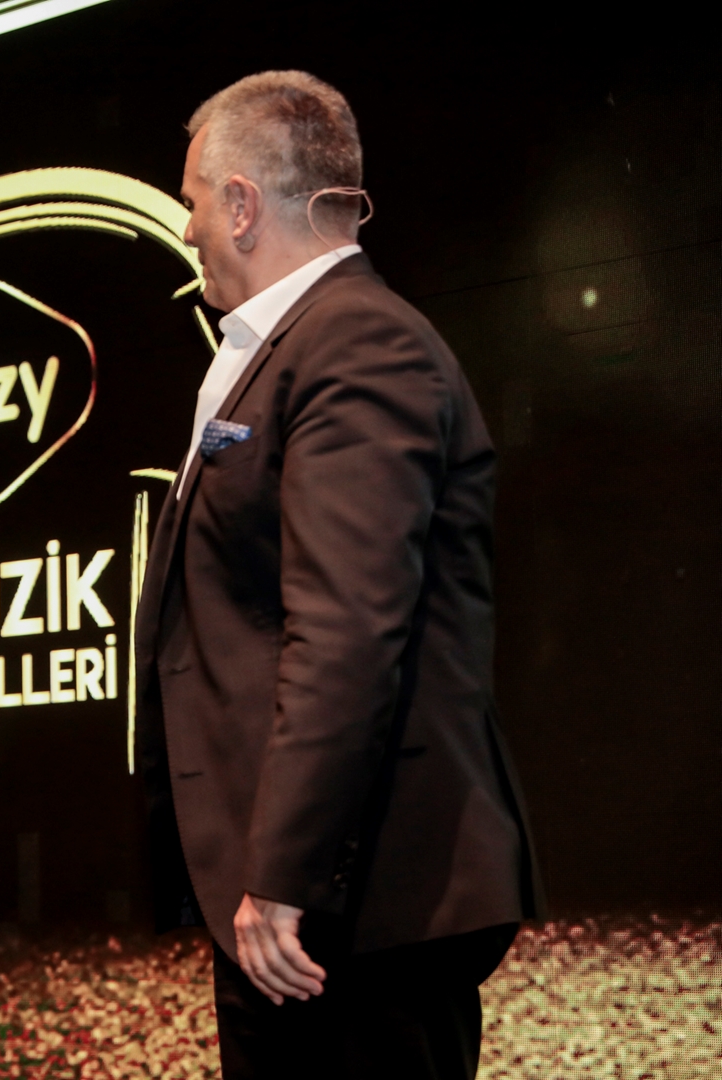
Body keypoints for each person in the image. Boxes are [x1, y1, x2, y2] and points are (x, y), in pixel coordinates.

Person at [132, 72, 544, 1079]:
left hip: (353, 904)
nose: (187, 228)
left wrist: (286, 872)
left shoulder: (357, 340)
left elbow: (350, 629)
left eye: (193, 200)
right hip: (313, 906)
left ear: (241, 204)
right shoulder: (285, 347)